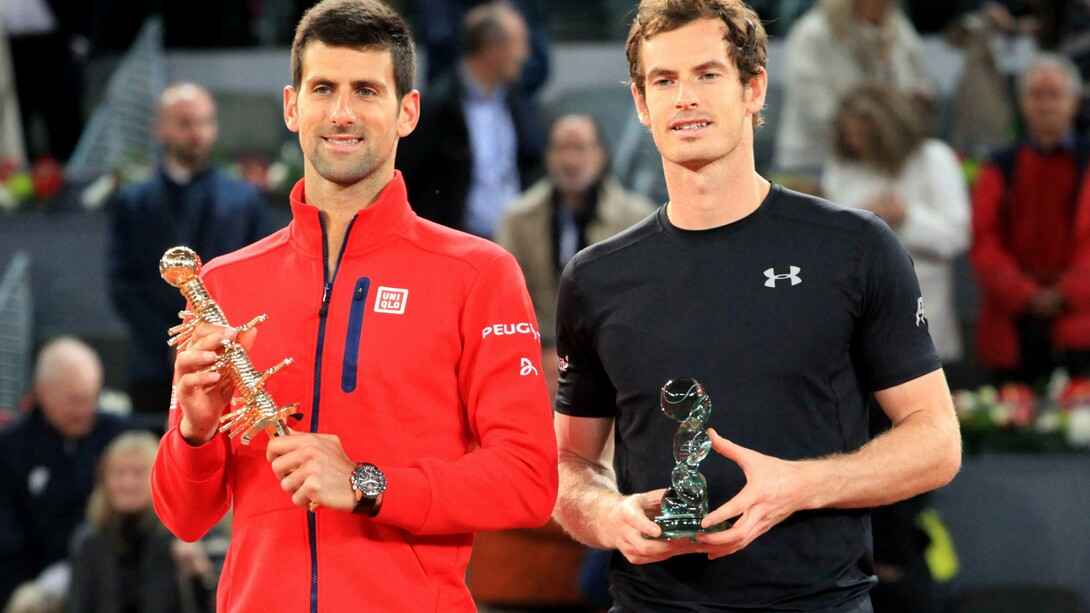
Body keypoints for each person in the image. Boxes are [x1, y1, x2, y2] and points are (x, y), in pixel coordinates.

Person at [550, 1, 962, 611]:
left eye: (708, 74)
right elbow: (569, 461)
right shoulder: (596, 277)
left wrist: (800, 485)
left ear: (753, 89)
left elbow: (936, 442)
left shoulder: (855, 247)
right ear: (641, 103)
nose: (685, 97)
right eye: (664, 80)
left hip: (820, 600)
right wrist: (604, 513)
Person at [149, 2, 558, 612]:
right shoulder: (224, 283)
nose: (342, 113)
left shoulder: (477, 274)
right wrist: (195, 430)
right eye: (323, 89)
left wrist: (370, 485)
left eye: (366, 90)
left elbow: (528, 480)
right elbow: (184, 516)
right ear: (293, 107)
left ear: (407, 112)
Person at [473, 114, 652, 611]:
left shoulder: (636, 217)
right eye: (561, 149)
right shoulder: (518, 217)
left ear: (602, 155)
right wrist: (541, 352)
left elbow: (640, 313)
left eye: (581, 148)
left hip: (611, 371)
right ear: (549, 157)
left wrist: (583, 359)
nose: (571, 159)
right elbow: (503, 310)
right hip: (534, 367)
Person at [108, 82, 274, 422]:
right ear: (160, 129)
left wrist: (216, 344)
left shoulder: (245, 201)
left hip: (231, 364)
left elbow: (261, 279)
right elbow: (124, 286)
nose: (196, 133)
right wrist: (172, 346)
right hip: (154, 367)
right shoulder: (132, 204)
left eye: (204, 122)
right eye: (185, 123)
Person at [822, 83, 971, 365]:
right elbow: (831, 241)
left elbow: (956, 237)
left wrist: (906, 216)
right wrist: (865, 217)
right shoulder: (842, 165)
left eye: (862, 136)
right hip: (857, 315)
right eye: (849, 135)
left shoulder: (934, 159)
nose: (854, 144)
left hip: (924, 311)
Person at [970, 52, 1090, 386]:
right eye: (1037, 96)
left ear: (1074, 102)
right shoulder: (998, 167)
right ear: (1022, 103)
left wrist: (1068, 292)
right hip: (1011, 322)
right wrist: (1024, 294)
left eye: (1055, 96)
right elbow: (983, 239)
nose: (1046, 105)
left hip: (1081, 320)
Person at [0, 337, 133, 609]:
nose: (84, 411)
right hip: (32, 582)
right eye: (74, 401)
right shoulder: (12, 446)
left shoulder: (121, 436)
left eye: (91, 399)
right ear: (43, 392)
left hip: (112, 580)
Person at [398, 0, 545, 239]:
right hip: (452, 246)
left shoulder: (519, 104)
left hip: (511, 243)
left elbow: (532, 166)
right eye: (519, 44)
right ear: (492, 49)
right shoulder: (436, 108)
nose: (525, 54)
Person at [774, 0, 933, 174]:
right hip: (815, 160)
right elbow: (812, 105)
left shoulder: (897, 29)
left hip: (885, 159)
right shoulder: (814, 33)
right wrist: (862, 128)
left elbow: (918, 84)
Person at [68, 431, 214, 613]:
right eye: (119, 473)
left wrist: (201, 576)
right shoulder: (89, 542)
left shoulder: (183, 536)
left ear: (159, 477)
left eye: (138, 473)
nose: (127, 483)